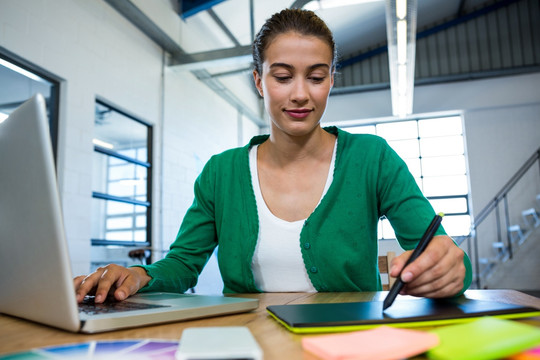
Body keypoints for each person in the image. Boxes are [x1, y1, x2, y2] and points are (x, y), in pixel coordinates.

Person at [75, 8, 472, 304]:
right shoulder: (221, 173)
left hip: (347, 342)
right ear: (259, 82)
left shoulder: (372, 159)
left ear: (331, 80)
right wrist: (139, 275)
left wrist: (452, 268)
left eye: (316, 77)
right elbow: (182, 265)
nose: (300, 93)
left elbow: (440, 249)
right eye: (282, 77)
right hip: (249, 341)